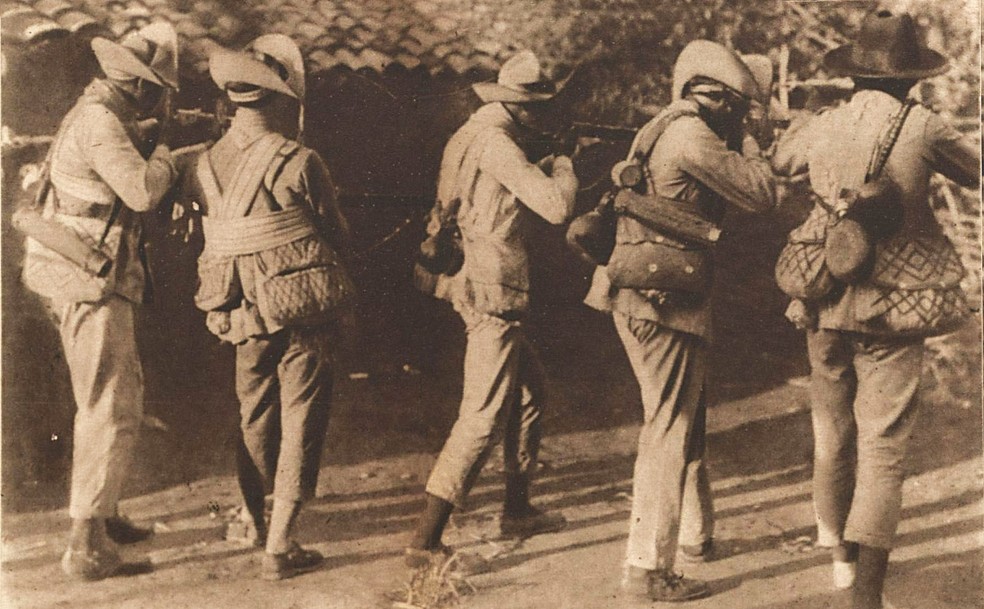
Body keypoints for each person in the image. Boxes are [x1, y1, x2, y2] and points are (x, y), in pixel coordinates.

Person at [771, 10, 979, 609]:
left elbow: (781, 164)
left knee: (831, 432)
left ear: (855, 76)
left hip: (821, 297)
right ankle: (866, 595)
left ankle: (839, 558)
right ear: (910, 79)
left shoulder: (823, 123)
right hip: (895, 301)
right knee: (883, 444)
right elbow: (974, 172)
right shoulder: (927, 127)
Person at [584, 40, 777, 602]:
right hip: (664, 299)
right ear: (719, 100)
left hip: (639, 293)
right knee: (667, 430)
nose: (741, 120)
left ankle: (692, 535)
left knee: (677, 420)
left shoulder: (664, 126)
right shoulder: (693, 138)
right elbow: (762, 193)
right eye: (740, 110)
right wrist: (750, 142)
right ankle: (648, 570)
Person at [15, 23, 180, 580]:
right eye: (155, 89)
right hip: (90, 278)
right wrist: (171, 155)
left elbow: (116, 141)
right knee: (109, 405)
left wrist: (157, 132)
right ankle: (85, 542)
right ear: (140, 86)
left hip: (68, 271)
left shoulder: (93, 109)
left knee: (113, 391)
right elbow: (142, 191)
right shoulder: (102, 124)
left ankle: (102, 513)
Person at [186, 35, 354, 581]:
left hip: (237, 309)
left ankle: (258, 523)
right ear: (277, 98)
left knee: (254, 414)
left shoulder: (201, 165)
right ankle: (281, 543)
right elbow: (336, 231)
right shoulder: (301, 160)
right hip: (300, 308)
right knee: (302, 415)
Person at [406, 50, 578, 572]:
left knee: (529, 394)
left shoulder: (467, 135)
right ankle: (425, 540)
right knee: (482, 415)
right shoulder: (500, 146)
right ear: (521, 109)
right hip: (492, 286)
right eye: (541, 108)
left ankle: (517, 510)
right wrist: (566, 164)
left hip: (465, 278)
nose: (546, 117)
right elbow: (556, 207)